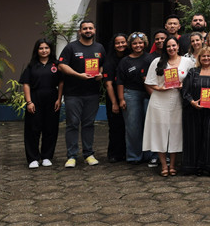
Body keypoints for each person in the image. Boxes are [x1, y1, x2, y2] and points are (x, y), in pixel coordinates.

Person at [144, 36, 195, 176]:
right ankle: (163, 165)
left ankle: (173, 164)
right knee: (160, 133)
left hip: (178, 101)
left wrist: (182, 86)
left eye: (173, 46)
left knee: (175, 132)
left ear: (178, 46)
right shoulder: (157, 61)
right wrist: (160, 89)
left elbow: (193, 81)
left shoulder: (188, 62)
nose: (171, 49)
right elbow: (149, 82)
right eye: (168, 46)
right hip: (159, 101)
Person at [57, 20, 105, 168]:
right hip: (73, 94)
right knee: (72, 124)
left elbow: (102, 65)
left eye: (90, 28)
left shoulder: (99, 47)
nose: (88, 30)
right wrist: (79, 75)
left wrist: (100, 74)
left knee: (88, 124)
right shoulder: (71, 47)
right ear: (80, 31)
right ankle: (71, 156)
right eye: (85, 28)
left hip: (92, 94)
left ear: (94, 30)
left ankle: (88, 154)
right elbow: (61, 65)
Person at [181, 46, 210, 178]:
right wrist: (192, 102)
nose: (206, 58)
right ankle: (195, 167)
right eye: (203, 56)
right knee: (195, 138)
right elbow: (185, 91)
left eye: (208, 56)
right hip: (194, 111)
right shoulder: (193, 72)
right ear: (199, 58)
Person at [20, 38, 63, 169]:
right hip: (35, 98)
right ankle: (32, 158)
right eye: (41, 48)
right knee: (33, 128)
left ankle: (46, 156)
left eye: (46, 48)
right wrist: (29, 102)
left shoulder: (56, 65)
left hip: (52, 99)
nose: (44, 51)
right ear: (36, 50)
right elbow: (26, 84)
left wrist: (59, 99)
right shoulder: (31, 66)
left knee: (50, 128)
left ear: (50, 49)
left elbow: (61, 82)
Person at [117, 32, 152, 165]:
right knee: (133, 127)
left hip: (149, 94)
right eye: (135, 43)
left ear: (145, 43)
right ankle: (133, 156)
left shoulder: (150, 58)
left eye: (140, 42)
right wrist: (121, 99)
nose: (138, 45)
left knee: (149, 126)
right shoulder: (125, 61)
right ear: (130, 45)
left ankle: (149, 155)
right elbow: (120, 81)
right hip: (131, 94)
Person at [102, 33, 128, 163]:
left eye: (123, 42)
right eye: (118, 43)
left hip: (127, 96)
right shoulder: (109, 61)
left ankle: (126, 152)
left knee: (127, 126)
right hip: (114, 98)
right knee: (115, 127)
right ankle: (114, 154)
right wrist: (114, 103)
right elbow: (108, 84)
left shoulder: (129, 57)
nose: (120, 45)